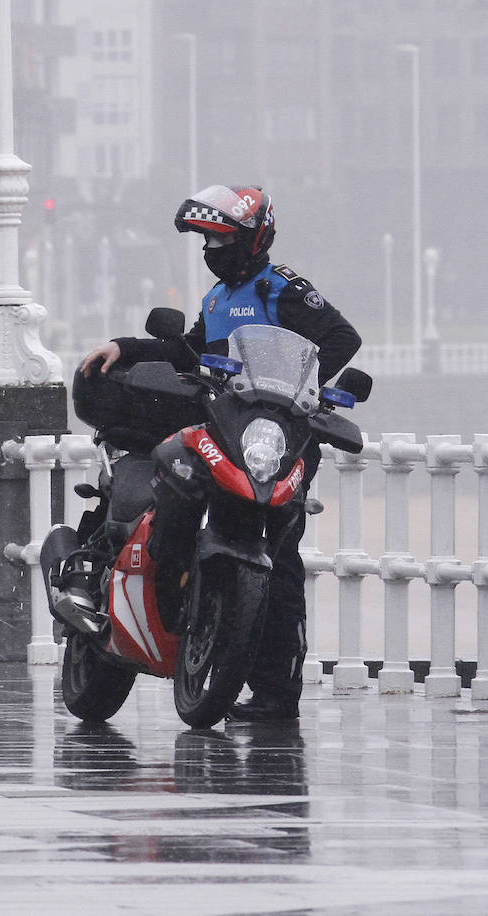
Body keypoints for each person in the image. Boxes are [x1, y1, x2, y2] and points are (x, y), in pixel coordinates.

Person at [82, 184, 361, 722]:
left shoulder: (282, 289)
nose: (212, 249)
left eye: (222, 238)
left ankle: (277, 692)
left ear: (254, 239)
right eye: (207, 239)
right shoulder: (215, 299)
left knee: (279, 565)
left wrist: (306, 391)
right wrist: (127, 348)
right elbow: (188, 352)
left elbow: (340, 337)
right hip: (223, 433)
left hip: (278, 442)